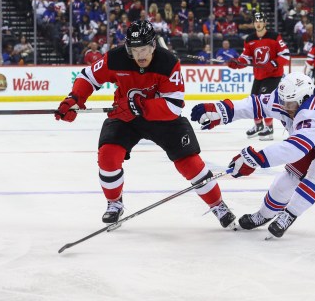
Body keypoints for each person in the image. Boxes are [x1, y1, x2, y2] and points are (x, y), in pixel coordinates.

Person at [54, 20, 235, 228]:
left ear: (154, 45)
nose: (140, 55)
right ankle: (114, 203)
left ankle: (218, 205)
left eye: (145, 49)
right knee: (108, 156)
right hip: (125, 117)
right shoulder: (115, 58)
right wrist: (75, 99)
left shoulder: (168, 63)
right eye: (135, 50)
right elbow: (88, 77)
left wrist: (140, 106)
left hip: (162, 119)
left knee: (190, 163)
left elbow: (174, 106)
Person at [190, 72, 315, 238]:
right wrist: (220, 111)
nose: (283, 106)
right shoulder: (289, 98)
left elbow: (295, 148)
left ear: (303, 98)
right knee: (288, 178)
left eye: (288, 103)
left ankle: (291, 213)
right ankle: (263, 215)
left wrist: (255, 159)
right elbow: (255, 104)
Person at [228, 11, 290, 141]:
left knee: (265, 101)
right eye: (256, 21)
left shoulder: (274, 36)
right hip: (259, 76)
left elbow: (285, 55)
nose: (258, 23)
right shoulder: (250, 39)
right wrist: (237, 63)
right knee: (253, 101)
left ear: (265, 22)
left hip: (273, 75)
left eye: (261, 21)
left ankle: (269, 128)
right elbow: (246, 58)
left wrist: (273, 63)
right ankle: (259, 126)